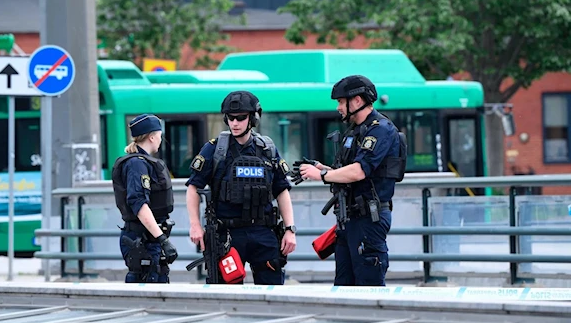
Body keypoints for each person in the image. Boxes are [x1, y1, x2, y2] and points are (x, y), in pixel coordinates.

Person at [297, 75, 405, 286]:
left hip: (368, 219)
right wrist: (323, 168)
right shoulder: (356, 130)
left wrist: (321, 175)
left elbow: (359, 172)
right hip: (349, 219)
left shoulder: (380, 129)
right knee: (343, 286)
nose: (338, 107)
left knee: (368, 285)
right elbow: (348, 172)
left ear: (357, 100)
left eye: (340, 101)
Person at [186, 90, 297, 285]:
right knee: (227, 295)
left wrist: (290, 229)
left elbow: (282, 189)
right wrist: (195, 225)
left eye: (240, 118)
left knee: (273, 292)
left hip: (263, 232)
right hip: (228, 235)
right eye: (230, 118)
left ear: (253, 118)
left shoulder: (267, 149)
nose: (234, 123)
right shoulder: (214, 149)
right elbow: (193, 187)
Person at [112, 114, 178, 283]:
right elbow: (139, 204)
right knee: (147, 285)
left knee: (157, 282)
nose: (161, 140)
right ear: (151, 137)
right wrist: (162, 239)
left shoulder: (144, 162)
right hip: (142, 240)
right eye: (159, 135)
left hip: (149, 238)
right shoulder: (137, 164)